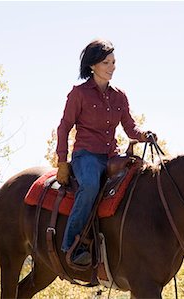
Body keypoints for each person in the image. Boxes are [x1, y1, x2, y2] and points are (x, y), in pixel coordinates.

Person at [56, 39, 156, 266]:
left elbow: (130, 127)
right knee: (90, 186)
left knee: (139, 182)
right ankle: (71, 243)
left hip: (112, 155)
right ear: (92, 66)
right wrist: (62, 162)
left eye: (113, 62)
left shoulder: (119, 95)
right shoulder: (78, 94)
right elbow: (64, 127)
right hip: (86, 155)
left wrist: (143, 135)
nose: (112, 67)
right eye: (106, 62)